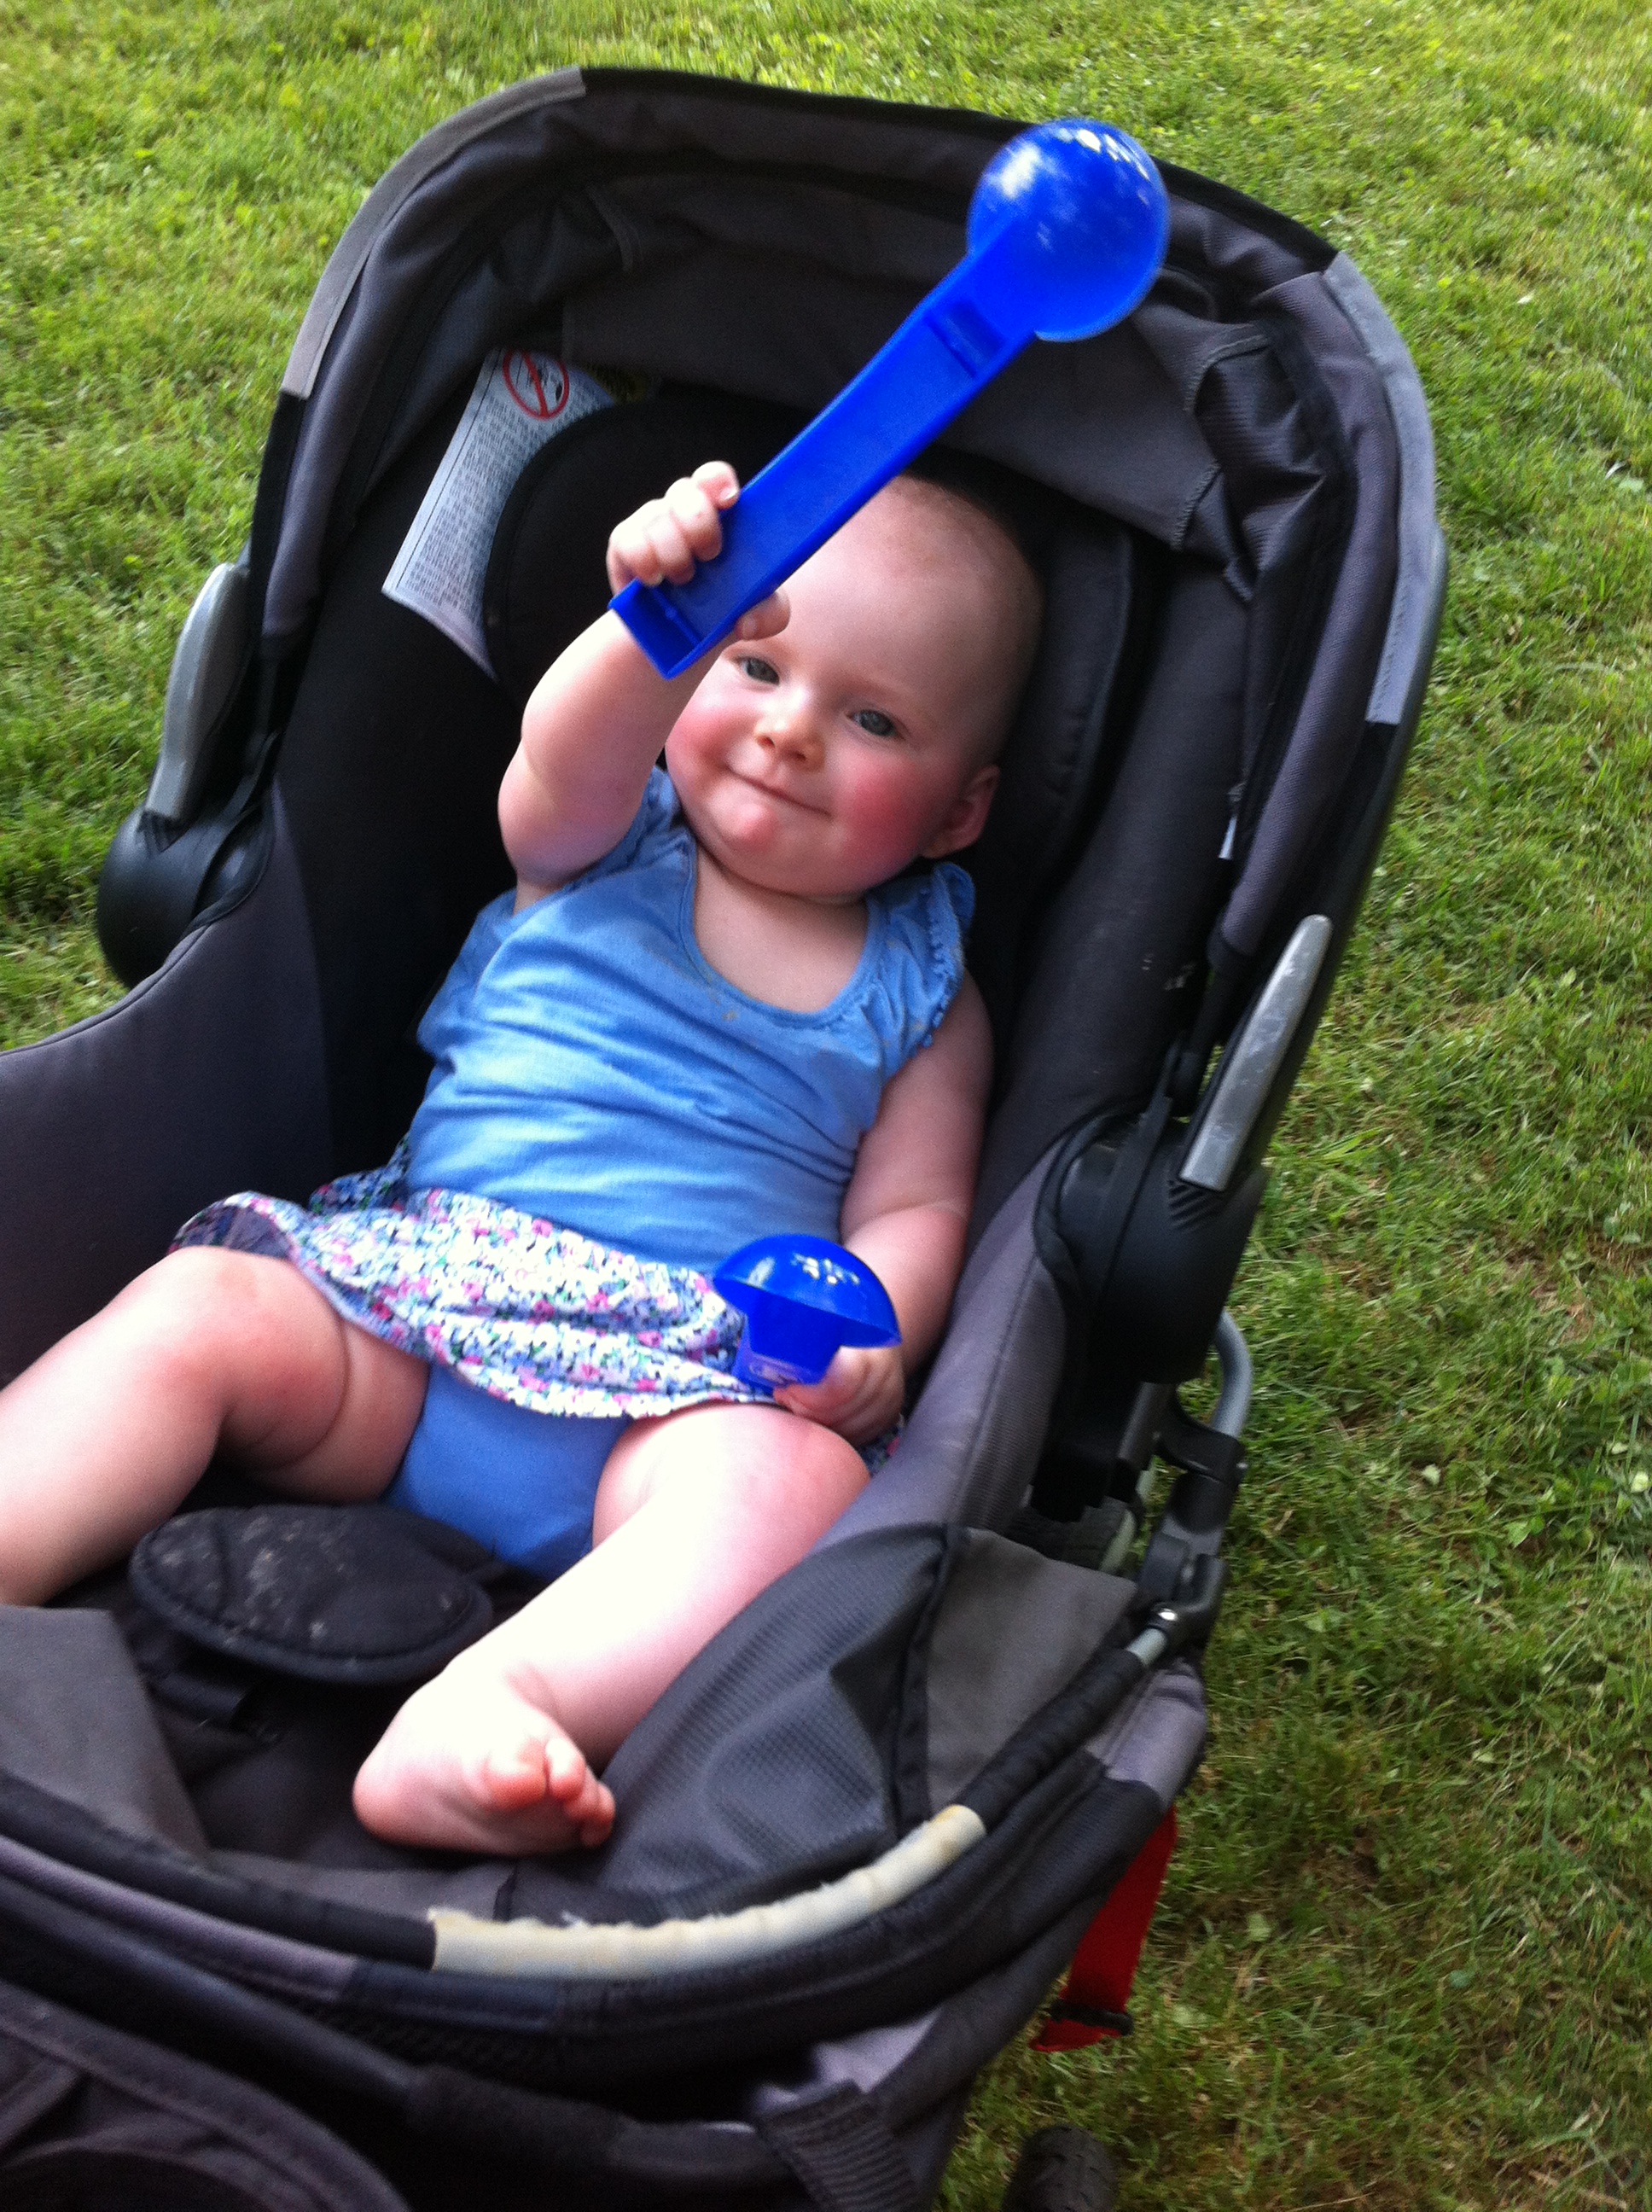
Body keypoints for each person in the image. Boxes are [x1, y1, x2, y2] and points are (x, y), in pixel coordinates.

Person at [0, 458, 1042, 1856]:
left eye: (873, 719)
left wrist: (876, 1333)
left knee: (792, 1491)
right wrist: (652, 623)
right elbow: (566, 752)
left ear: (961, 810)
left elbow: (915, 1204)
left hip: (683, 1389)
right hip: (419, 1325)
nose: (789, 732)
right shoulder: (603, 839)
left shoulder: (922, 992)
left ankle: (500, 1703)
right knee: (206, 1310)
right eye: (752, 663)